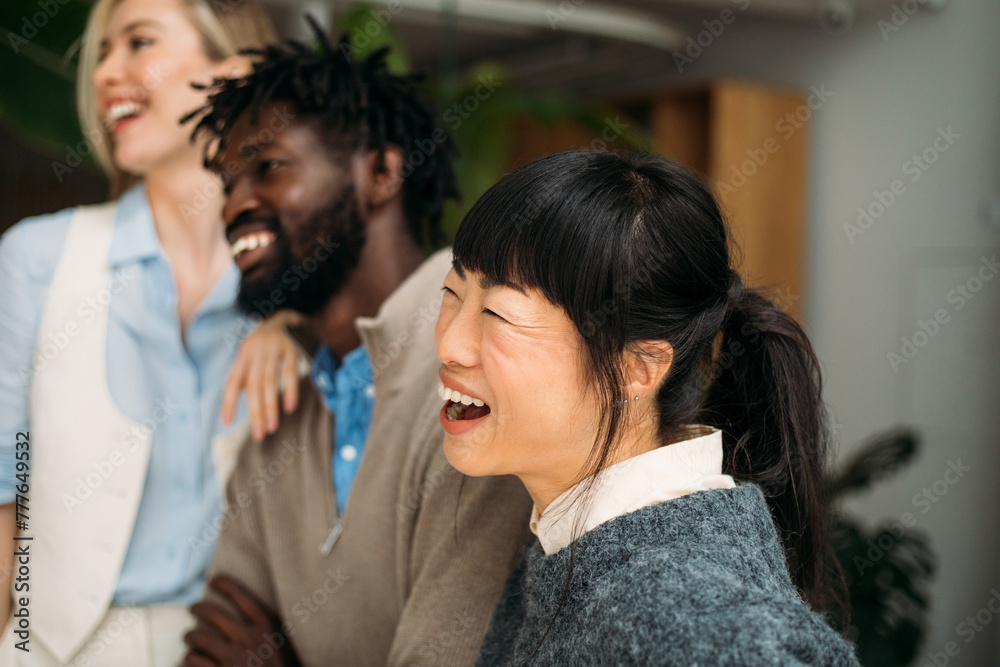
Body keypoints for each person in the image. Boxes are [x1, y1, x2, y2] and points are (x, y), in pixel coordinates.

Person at [180, 23, 532, 667]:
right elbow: (214, 640)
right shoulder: (279, 397)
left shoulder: (480, 377)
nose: (235, 205)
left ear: (380, 171)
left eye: (269, 167)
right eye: (228, 183)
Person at [434, 150, 862, 665]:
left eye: (498, 313)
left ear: (634, 369)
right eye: (451, 291)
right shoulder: (576, 537)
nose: (449, 344)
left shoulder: (682, 612)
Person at [0, 0, 277, 664]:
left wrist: (293, 321)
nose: (106, 73)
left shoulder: (296, 283)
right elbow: (3, 491)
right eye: (102, 54)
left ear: (232, 75)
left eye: (139, 43)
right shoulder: (39, 257)